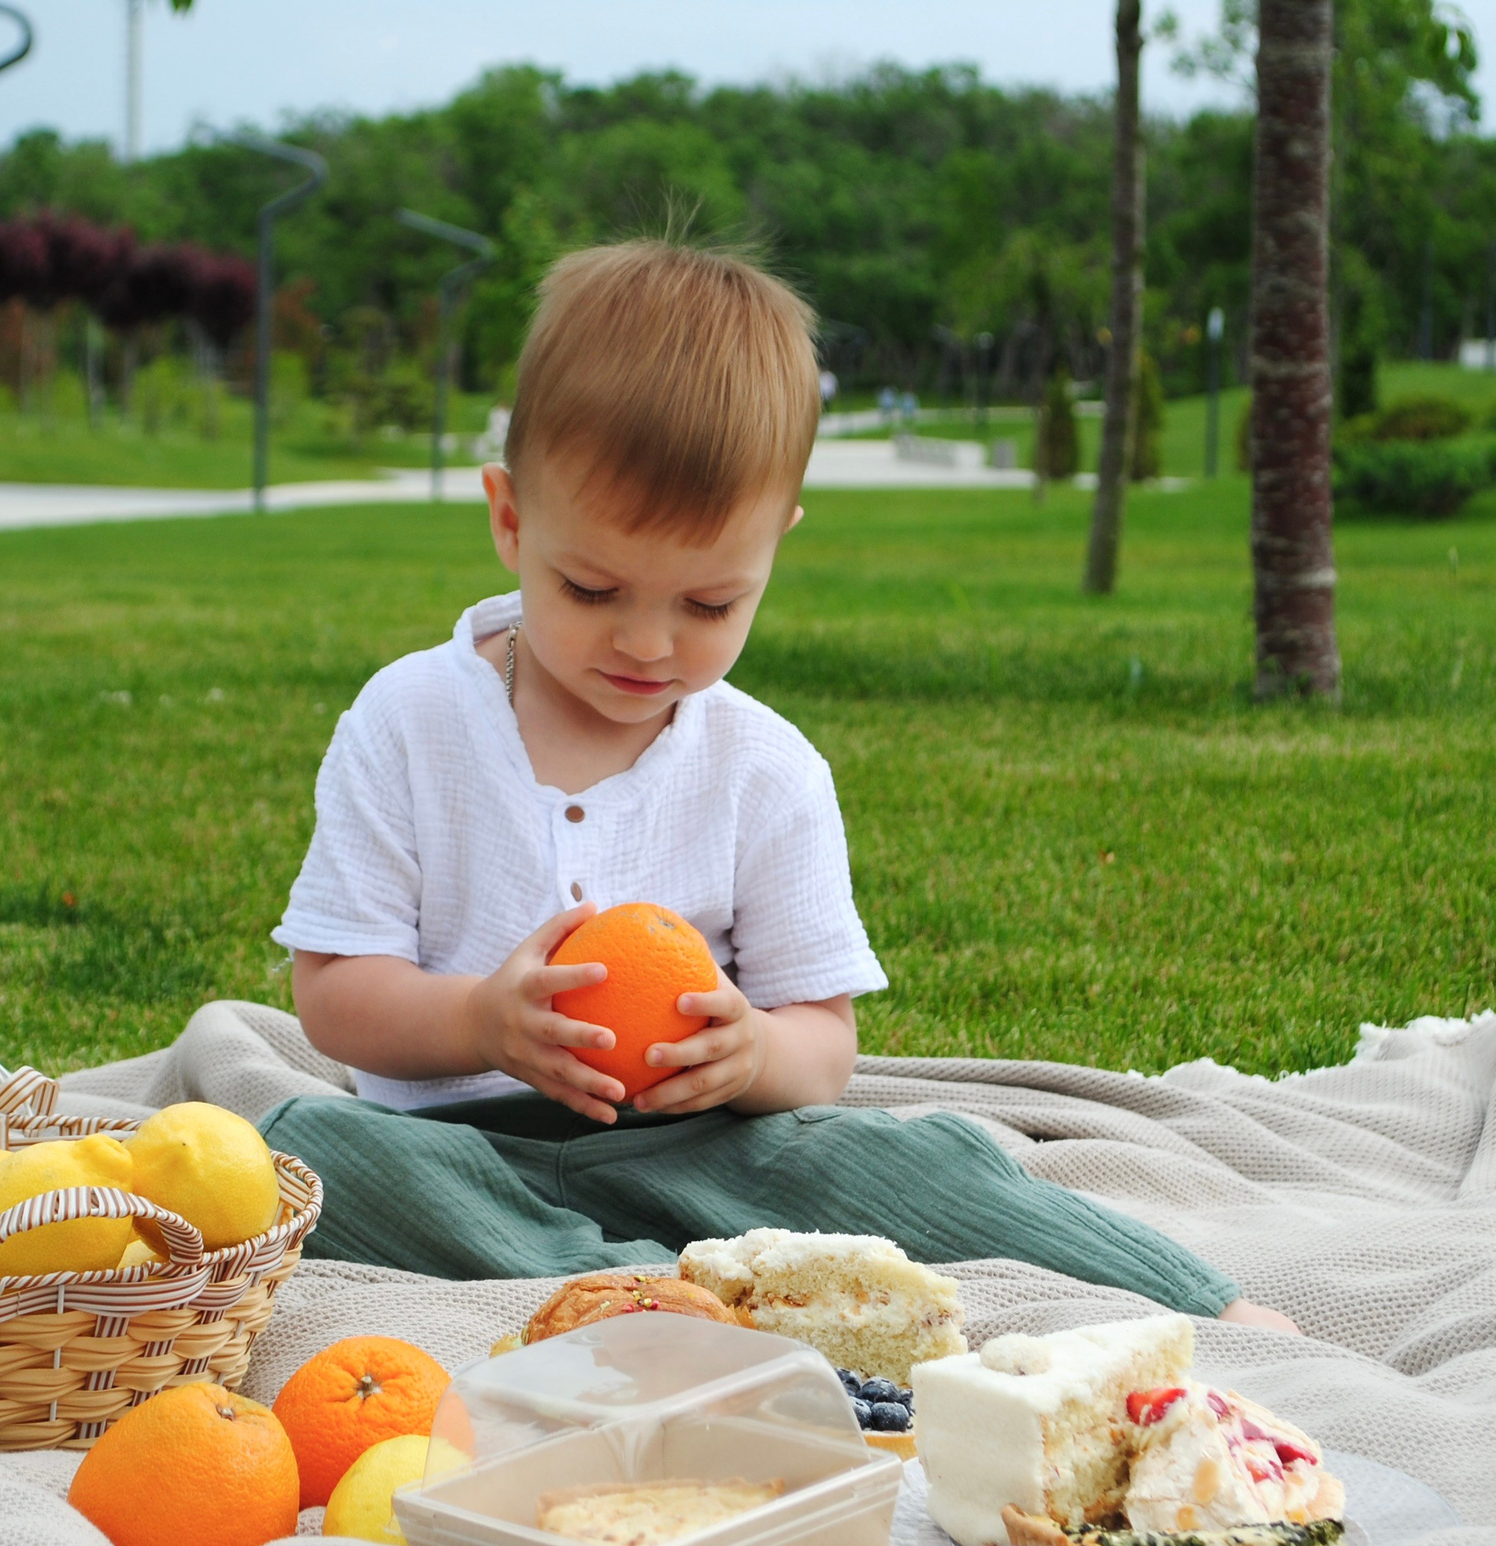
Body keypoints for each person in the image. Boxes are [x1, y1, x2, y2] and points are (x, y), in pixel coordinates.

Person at [265, 237, 1295, 1333]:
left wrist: (750, 1050)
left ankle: (1199, 1302)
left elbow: (824, 1047)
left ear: (775, 545)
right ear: (510, 520)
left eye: (709, 605)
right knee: (301, 1148)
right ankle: (639, 1289)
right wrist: (479, 1020)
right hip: (453, 1148)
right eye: (593, 587)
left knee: (919, 1164)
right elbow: (333, 995)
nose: (649, 642)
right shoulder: (409, 721)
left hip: (711, 1150)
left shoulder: (765, 768)